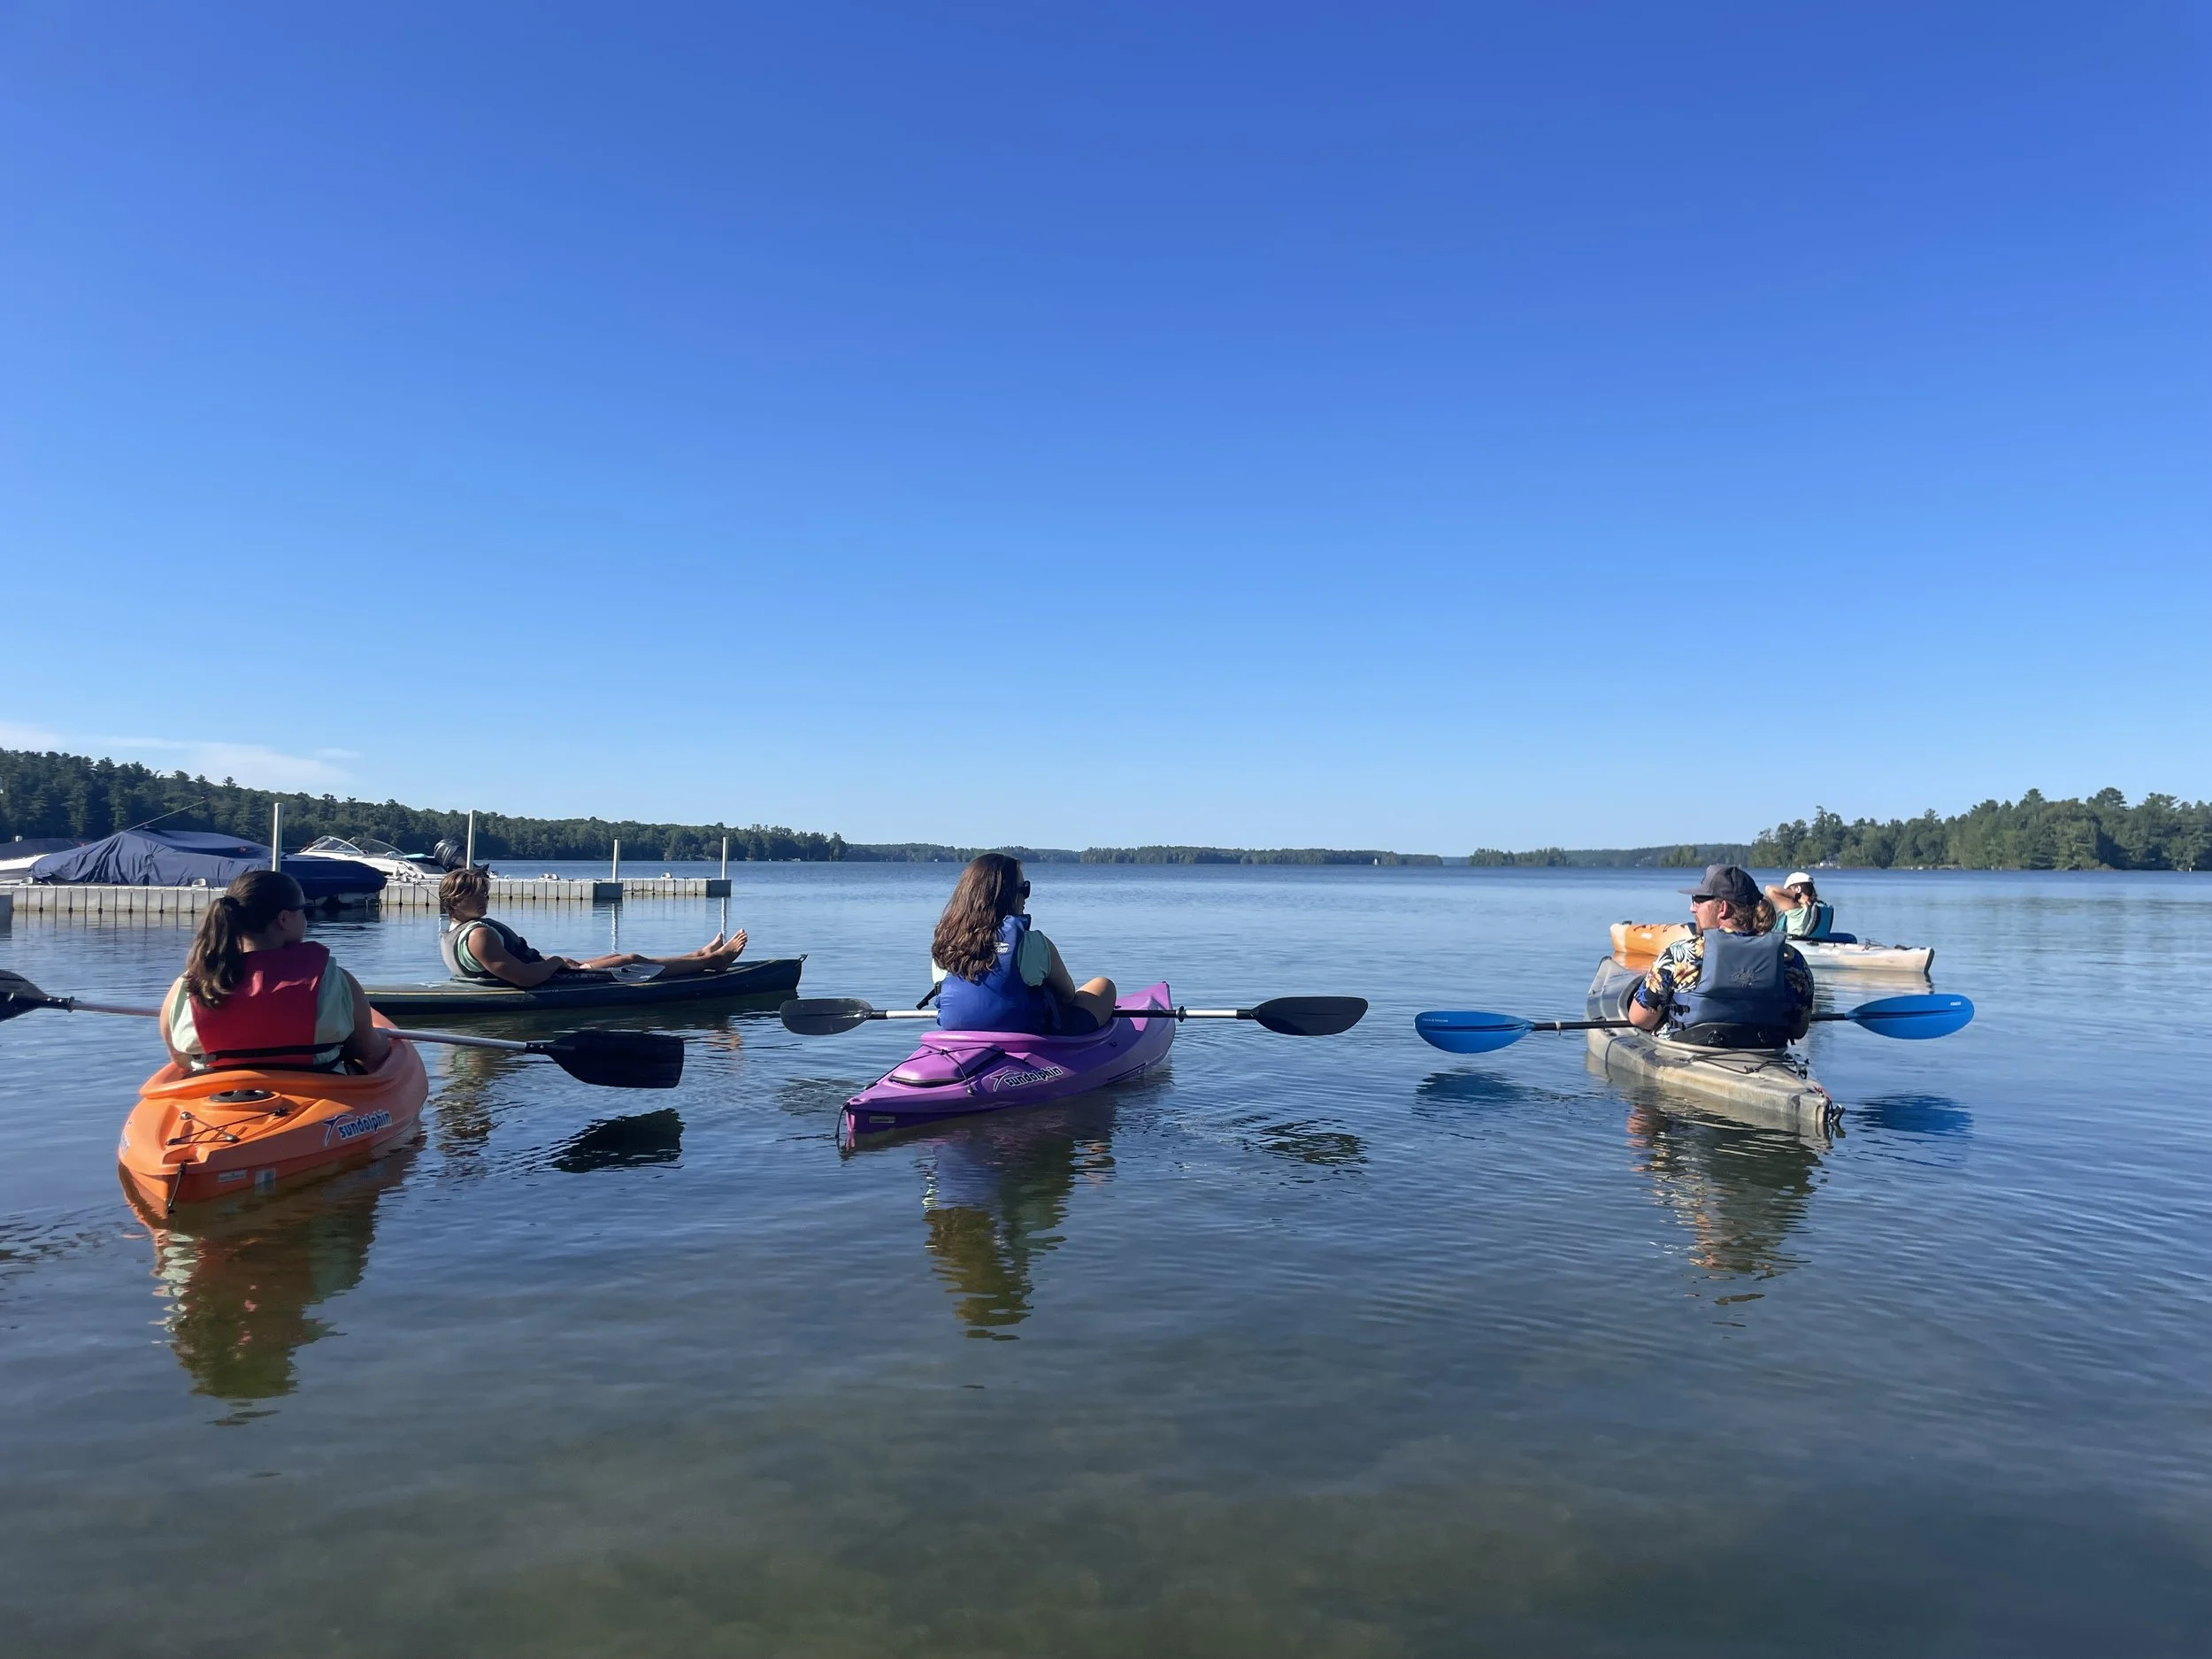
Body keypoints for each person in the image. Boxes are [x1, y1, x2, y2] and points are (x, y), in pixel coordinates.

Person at [161, 870, 390, 1073]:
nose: (305, 918)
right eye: (303, 910)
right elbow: (365, 1049)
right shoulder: (333, 979)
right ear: (284, 918)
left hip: (213, 1096)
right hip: (318, 1090)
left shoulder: (191, 984)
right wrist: (387, 1040)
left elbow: (180, 1059)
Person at [436, 867, 748, 987]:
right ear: (453, 901)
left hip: (552, 972)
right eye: (476, 897)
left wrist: (555, 962)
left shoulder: (454, 932)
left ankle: (698, 955)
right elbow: (524, 978)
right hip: (551, 981)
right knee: (630, 961)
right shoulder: (478, 935)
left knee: (617, 955)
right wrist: (557, 961)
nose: (484, 901)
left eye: (485, 894)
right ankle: (711, 962)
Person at [1627, 864, 1814, 1048]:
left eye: (1698, 900)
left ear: (1723, 908)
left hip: (1688, 1052)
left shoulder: (1680, 955)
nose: (1693, 908)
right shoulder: (1792, 960)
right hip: (1767, 1053)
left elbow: (1640, 1018)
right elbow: (1799, 1030)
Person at [929, 853, 1117, 1035]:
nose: (1026, 897)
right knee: (1104, 985)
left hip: (959, 1035)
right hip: (1024, 1036)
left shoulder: (945, 945)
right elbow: (1067, 995)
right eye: (1024, 889)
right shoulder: (1032, 943)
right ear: (1008, 895)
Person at [1763, 871, 1837, 940]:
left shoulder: (1795, 907)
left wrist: (1797, 896)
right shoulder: (1818, 905)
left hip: (1795, 945)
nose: (1786, 894)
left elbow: (1769, 890)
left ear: (1797, 889)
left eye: (1788, 890)